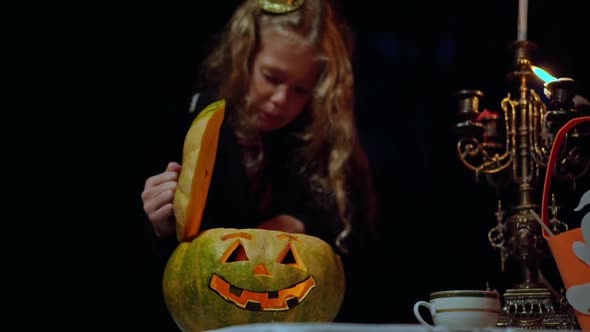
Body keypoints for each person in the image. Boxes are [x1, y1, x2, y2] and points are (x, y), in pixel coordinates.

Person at [141, 0, 379, 324]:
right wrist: (164, 226)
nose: (281, 99)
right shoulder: (186, 123)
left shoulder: (316, 143)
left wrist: (300, 223)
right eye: (272, 77)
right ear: (244, 57)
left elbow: (359, 237)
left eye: (300, 90)